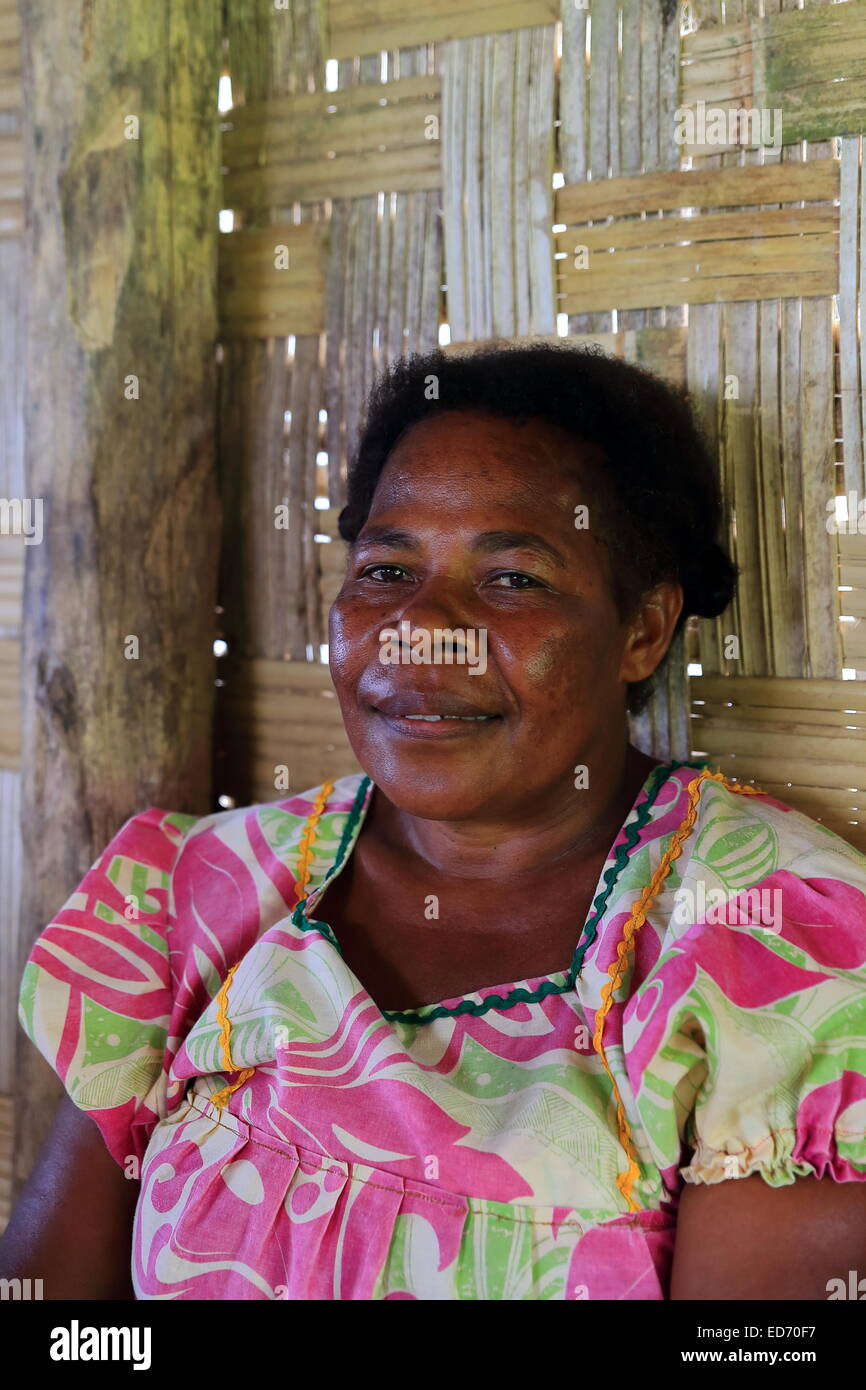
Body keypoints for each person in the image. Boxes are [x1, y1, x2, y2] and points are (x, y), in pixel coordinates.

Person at [3, 342, 866, 1300]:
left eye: (512, 580)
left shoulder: (771, 942)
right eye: (385, 569)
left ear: (643, 631)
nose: (422, 627)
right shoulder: (203, 893)